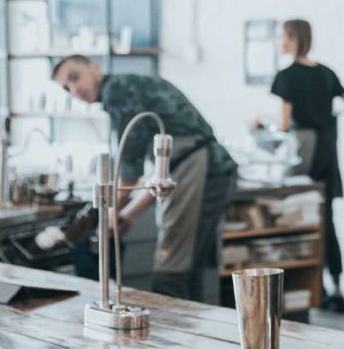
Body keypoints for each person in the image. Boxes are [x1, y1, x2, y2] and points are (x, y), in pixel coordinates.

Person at [52, 55, 238, 301]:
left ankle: (175, 335)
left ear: (95, 67)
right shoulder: (127, 87)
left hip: (203, 169)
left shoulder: (118, 91)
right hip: (205, 170)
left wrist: (109, 212)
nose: (74, 90)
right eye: (67, 88)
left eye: (75, 77)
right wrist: (127, 213)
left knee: (172, 270)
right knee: (185, 268)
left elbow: (130, 170)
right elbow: (162, 176)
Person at [271, 19, 344, 313]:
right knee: (327, 221)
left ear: (294, 38)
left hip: (304, 153)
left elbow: (284, 125)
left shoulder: (286, 76)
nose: (280, 41)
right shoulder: (326, 73)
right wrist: (328, 115)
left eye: (283, 36)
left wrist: (262, 125)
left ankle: (307, 288)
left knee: (300, 219)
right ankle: (335, 287)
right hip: (327, 151)